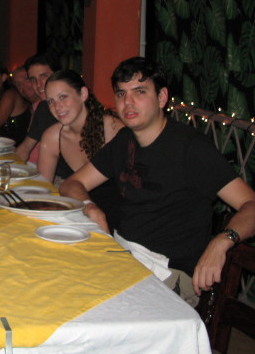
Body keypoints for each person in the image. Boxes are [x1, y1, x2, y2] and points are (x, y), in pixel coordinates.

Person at [59, 57, 255, 306]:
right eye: (121, 93)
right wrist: (90, 207)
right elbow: (71, 184)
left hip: (169, 273)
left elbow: (251, 204)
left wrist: (221, 242)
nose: (128, 102)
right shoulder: (125, 140)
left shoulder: (190, 148)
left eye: (140, 92)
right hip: (125, 256)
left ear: (162, 98)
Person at [38, 70, 124, 230]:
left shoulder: (113, 129)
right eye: (50, 101)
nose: (57, 107)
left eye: (63, 97)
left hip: (118, 224)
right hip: (78, 221)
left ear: (83, 94)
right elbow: (43, 191)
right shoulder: (52, 137)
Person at [15, 54, 59, 163]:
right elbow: (24, 150)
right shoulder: (43, 108)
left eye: (44, 76)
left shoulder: (72, 108)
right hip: (36, 168)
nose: (38, 84)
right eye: (33, 79)